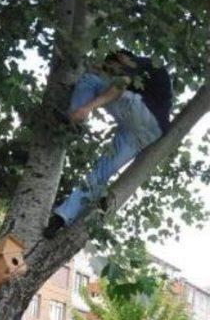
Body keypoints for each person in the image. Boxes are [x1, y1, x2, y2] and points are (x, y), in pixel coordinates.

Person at [44, 49, 172, 237]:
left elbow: (120, 85)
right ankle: (60, 219)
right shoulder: (150, 79)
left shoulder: (141, 62)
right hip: (149, 133)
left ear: (122, 59)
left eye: (114, 69)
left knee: (89, 80)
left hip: (143, 112)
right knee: (100, 175)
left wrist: (87, 108)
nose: (113, 75)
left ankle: (74, 119)